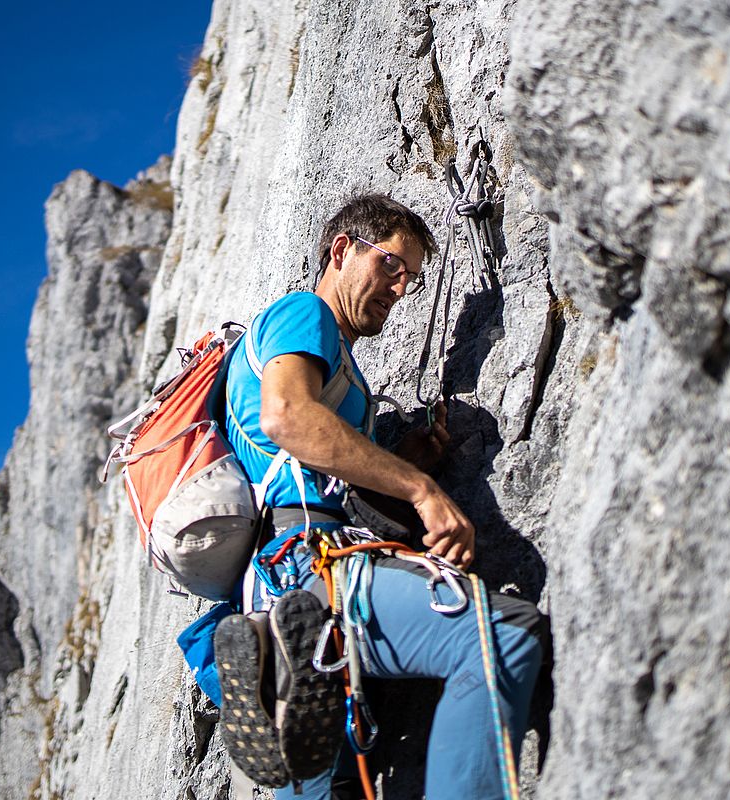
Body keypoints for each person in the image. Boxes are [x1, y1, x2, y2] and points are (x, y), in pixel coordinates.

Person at [212, 194, 546, 799]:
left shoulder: (340, 371)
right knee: (505, 634)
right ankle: (286, 657)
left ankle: (279, 669)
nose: (400, 287)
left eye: (411, 278)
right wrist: (420, 489)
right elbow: (286, 417)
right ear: (342, 250)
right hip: (317, 564)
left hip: (276, 583)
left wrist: (401, 461)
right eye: (392, 265)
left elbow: (319, 462)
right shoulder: (303, 313)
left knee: (333, 784)